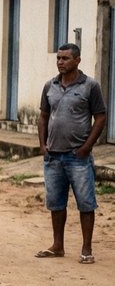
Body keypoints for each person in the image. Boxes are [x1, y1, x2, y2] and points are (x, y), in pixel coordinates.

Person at [36, 43, 107, 264]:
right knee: (56, 203)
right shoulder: (50, 85)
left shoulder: (90, 86)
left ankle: (86, 248)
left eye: (65, 58)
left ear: (77, 60)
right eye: (58, 58)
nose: (60, 62)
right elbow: (43, 116)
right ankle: (57, 245)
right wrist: (43, 145)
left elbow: (100, 117)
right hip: (53, 156)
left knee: (85, 203)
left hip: (78, 157)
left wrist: (87, 147)